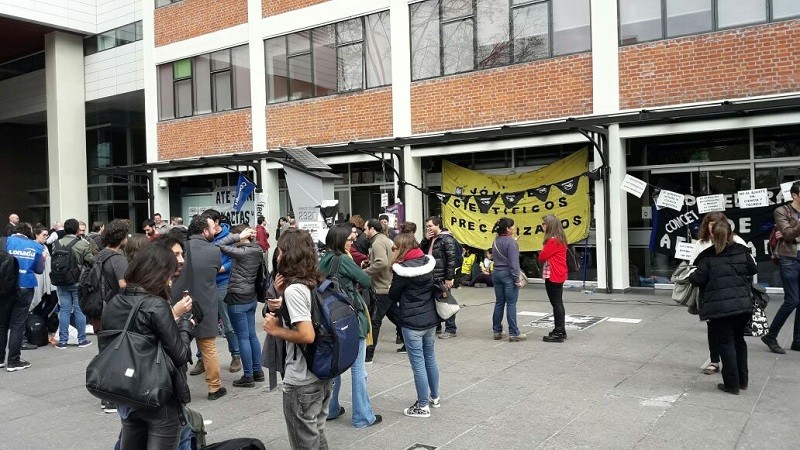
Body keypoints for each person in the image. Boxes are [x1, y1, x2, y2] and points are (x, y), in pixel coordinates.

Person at [102, 244, 194, 447]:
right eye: (169, 275)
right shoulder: (156, 305)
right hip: (157, 395)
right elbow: (180, 354)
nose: (170, 281)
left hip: (125, 392)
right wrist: (186, 326)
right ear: (160, 274)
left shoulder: (115, 302)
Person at [263, 228, 333, 449]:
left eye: (281, 251)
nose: (278, 256)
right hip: (322, 372)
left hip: (302, 379)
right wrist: (282, 296)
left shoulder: (295, 289)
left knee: (304, 442)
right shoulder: (315, 280)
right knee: (316, 433)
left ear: (290, 254)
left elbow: (307, 335)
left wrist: (275, 330)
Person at [320, 224, 381, 428]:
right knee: (358, 369)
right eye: (349, 239)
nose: (352, 242)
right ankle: (362, 416)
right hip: (350, 316)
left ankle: (331, 409)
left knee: (335, 366)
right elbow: (365, 280)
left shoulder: (323, 259)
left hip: (331, 317)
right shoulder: (343, 259)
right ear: (340, 241)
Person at [689, 220, 757, 394]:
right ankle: (743, 381)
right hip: (743, 305)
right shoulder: (743, 251)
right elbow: (752, 269)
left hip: (719, 307)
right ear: (730, 234)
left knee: (726, 343)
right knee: (739, 340)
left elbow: (697, 279)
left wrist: (691, 273)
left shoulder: (707, 257)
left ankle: (732, 384)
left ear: (712, 235)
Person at [172, 215, 228, 400]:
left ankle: (178, 389)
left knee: (177, 347)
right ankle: (214, 388)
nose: (214, 231)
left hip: (180, 303)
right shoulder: (214, 251)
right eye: (212, 228)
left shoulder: (180, 249)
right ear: (204, 231)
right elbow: (215, 271)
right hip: (205, 305)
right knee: (209, 348)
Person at [389, 233, 440, 418]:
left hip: (411, 322)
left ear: (402, 248)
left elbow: (393, 295)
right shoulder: (428, 262)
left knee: (418, 364)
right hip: (430, 318)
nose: (393, 250)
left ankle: (422, 406)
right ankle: (435, 397)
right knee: (430, 358)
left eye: (394, 247)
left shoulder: (401, 270)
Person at [214, 225, 264, 387]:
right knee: (252, 335)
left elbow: (219, 244)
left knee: (242, 337)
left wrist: (237, 237)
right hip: (251, 296)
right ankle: (258, 371)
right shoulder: (257, 249)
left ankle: (248, 375)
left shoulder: (242, 252)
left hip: (237, 298)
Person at [196, 209, 241, 374]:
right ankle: (201, 358)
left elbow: (234, 260)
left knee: (227, 322)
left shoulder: (229, 237)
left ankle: (236, 355)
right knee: (201, 322)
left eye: (208, 223)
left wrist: (221, 268)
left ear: (216, 222)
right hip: (204, 284)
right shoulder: (202, 237)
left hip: (222, 282)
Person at [1, 223, 45, 371]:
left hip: (5, 287)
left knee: (1, 324)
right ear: (29, 232)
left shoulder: (4, 241)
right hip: (25, 286)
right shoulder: (36, 246)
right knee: (17, 324)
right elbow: (39, 270)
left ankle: (0, 359)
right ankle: (13, 361)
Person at [762, 181, 800, 354]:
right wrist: (791, 231)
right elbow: (788, 234)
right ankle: (771, 335)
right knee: (792, 300)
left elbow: (789, 234)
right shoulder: (781, 211)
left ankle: (797, 341)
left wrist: (790, 233)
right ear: (794, 195)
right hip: (789, 258)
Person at [364, 219, 404, 361]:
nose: (364, 232)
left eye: (365, 229)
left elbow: (381, 262)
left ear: (372, 229)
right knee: (397, 317)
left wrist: (366, 271)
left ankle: (368, 355)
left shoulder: (377, 243)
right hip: (388, 285)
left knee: (375, 321)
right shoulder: (385, 240)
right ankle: (409, 344)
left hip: (381, 288)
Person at [55, 218, 95, 349]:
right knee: (79, 310)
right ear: (77, 229)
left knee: (64, 310)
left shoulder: (56, 243)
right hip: (77, 280)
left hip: (61, 281)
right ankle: (81, 340)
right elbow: (90, 261)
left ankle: (62, 341)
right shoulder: (82, 244)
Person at [90, 219, 130, 334]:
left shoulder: (98, 256)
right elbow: (123, 285)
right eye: (125, 237)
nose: (127, 239)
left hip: (97, 308)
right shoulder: (118, 260)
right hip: (114, 311)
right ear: (120, 239)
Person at [420, 216, 458, 338]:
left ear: (437, 225)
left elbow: (451, 260)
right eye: (427, 227)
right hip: (431, 275)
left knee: (446, 302)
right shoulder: (430, 239)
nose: (428, 229)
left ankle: (451, 329)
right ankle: (437, 326)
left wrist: (449, 278)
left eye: (430, 226)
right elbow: (420, 252)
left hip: (441, 276)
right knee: (433, 302)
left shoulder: (446, 239)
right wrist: (425, 239)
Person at [490, 218, 525, 342]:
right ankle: (514, 333)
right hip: (508, 275)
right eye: (512, 226)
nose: (514, 228)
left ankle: (497, 331)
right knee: (511, 303)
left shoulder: (496, 240)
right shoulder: (511, 243)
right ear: (508, 229)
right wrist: (517, 279)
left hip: (496, 273)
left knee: (499, 302)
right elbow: (514, 263)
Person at [538, 214, 568, 343]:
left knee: (556, 303)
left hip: (553, 274)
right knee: (558, 302)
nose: (542, 226)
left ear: (549, 225)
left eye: (543, 224)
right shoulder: (560, 239)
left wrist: (542, 251)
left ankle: (559, 331)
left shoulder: (553, 241)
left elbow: (542, 257)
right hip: (558, 273)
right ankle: (560, 330)